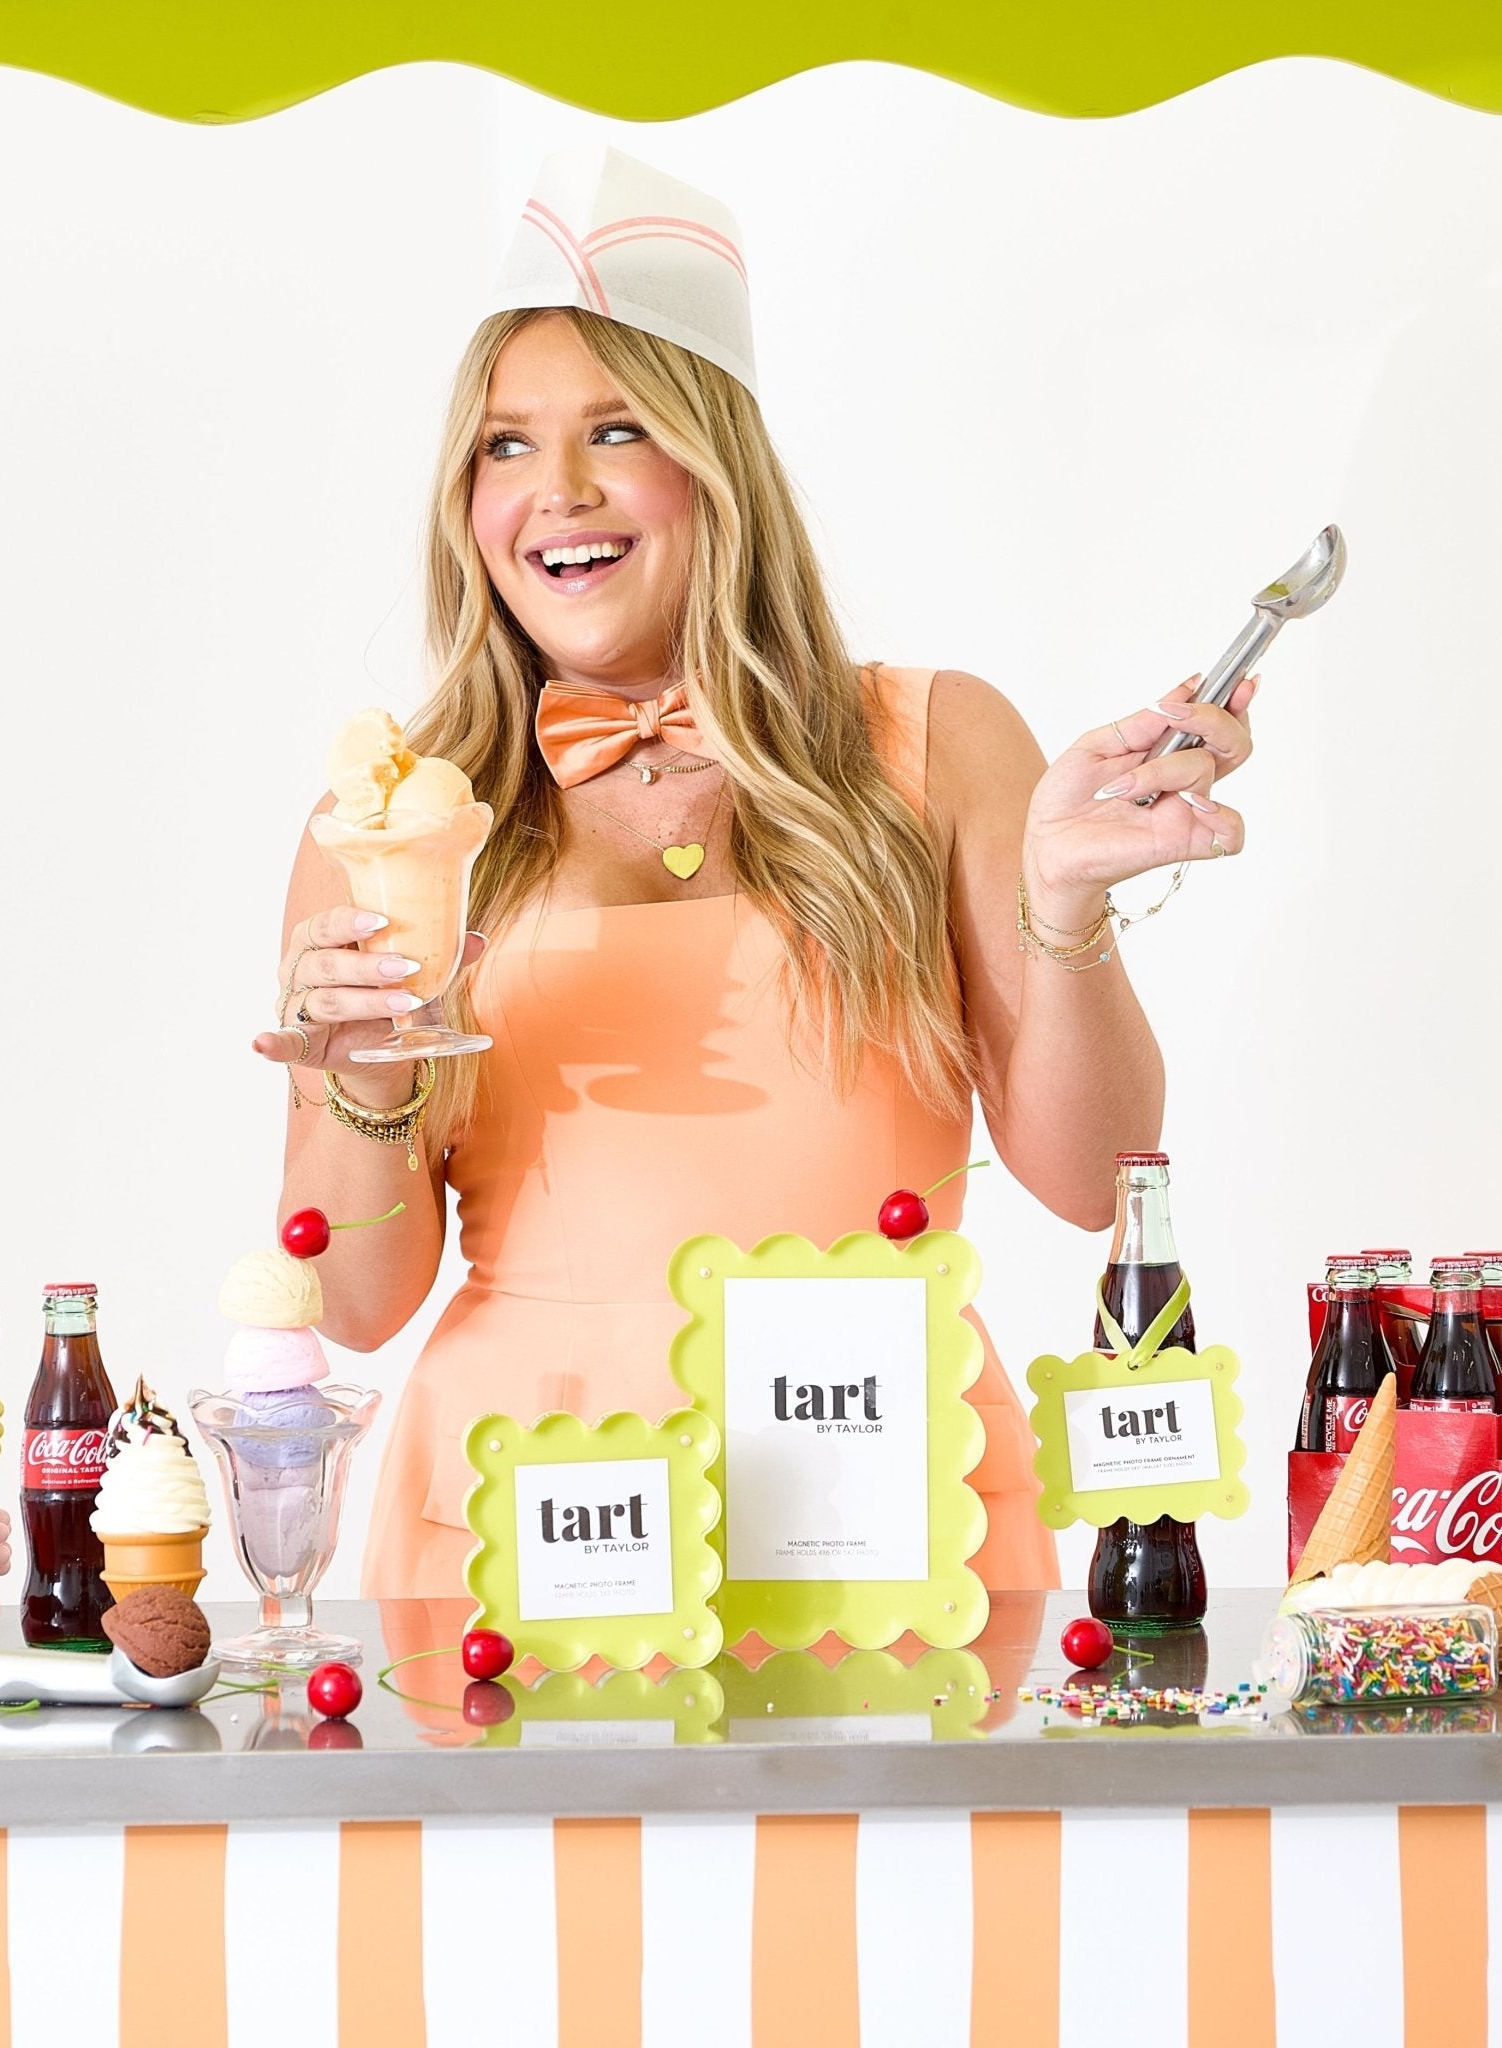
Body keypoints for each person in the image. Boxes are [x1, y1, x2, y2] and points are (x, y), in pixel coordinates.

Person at [251, 147, 1255, 1600]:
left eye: (619, 429)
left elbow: (1100, 1182)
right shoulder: (394, 816)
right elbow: (352, 1303)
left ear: (713, 460)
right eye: (505, 446)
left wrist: (1065, 913)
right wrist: (364, 1082)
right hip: (529, 1530)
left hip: (890, 1513)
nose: (557, 492)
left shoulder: (936, 742)